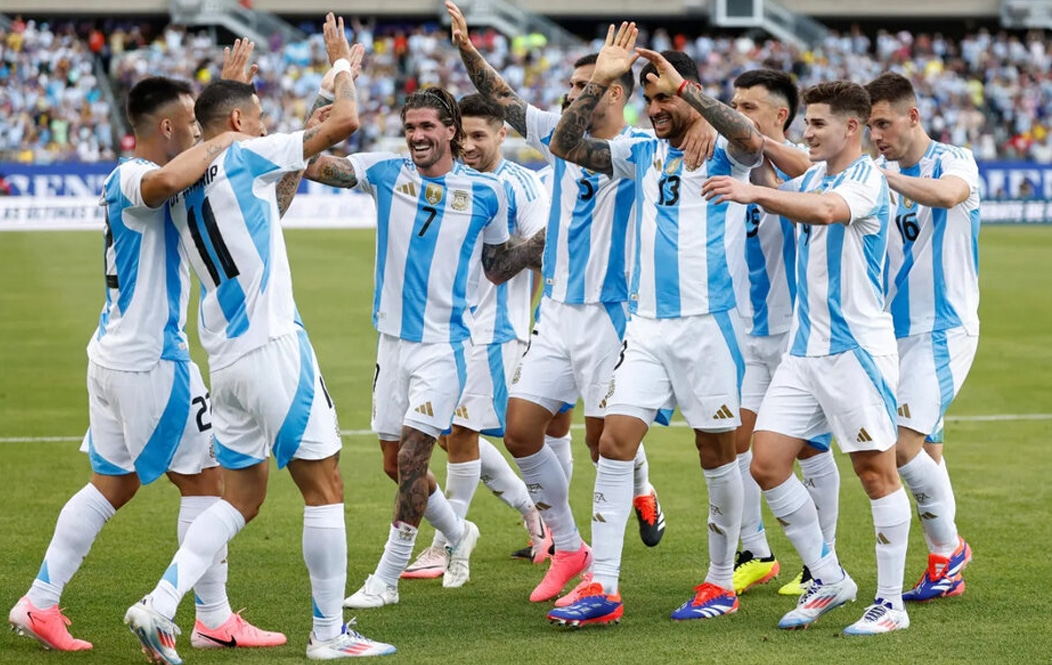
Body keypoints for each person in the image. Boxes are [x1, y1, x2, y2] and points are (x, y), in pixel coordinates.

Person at [122, 15, 396, 662]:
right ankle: (329, 634)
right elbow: (344, 126)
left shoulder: (191, 183)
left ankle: (159, 605)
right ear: (240, 124)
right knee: (324, 485)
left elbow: (273, 206)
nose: (270, 125)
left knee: (240, 495)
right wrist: (339, 70)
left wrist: (258, 105)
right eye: (261, 115)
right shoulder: (243, 153)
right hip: (274, 346)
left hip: (227, 359)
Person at [6, 74, 284, 655]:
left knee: (112, 483)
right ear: (165, 127)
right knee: (210, 482)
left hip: (112, 356)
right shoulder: (131, 176)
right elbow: (164, 181)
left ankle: (39, 601)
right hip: (151, 362)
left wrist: (226, 94)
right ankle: (212, 616)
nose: (197, 129)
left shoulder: (158, 177)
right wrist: (227, 137)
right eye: (190, 120)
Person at [447, 0, 673, 604]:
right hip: (556, 313)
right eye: (573, 85)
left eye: (588, 86)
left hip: (611, 315)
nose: (575, 94)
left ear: (617, 93)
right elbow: (501, 101)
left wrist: (605, 71)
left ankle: (608, 562)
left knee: (606, 447)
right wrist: (467, 47)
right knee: (522, 433)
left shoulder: (638, 152)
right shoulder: (557, 134)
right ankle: (570, 547)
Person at [544, 29, 764, 625]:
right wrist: (598, 81)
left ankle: (720, 581)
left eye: (665, 97)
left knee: (715, 451)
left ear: (690, 95)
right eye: (650, 98)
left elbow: (751, 137)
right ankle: (604, 586)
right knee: (614, 444)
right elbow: (566, 146)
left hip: (708, 327)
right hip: (644, 327)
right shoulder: (639, 151)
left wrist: (692, 95)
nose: (657, 108)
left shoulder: (723, 149)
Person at [304, 85, 544, 608]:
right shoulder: (385, 173)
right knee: (394, 464)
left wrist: (548, 240)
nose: (416, 136)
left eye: (427, 127)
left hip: (446, 345)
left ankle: (386, 579)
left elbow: (498, 267)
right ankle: (460, 534)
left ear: (451, 131)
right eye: (410, 127)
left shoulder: (487, 194)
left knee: (414, 457)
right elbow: (311, 163)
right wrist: (329, 90)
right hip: (391, 343)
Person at [702, 80, 912, 635]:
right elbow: (786, 170)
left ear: (851, 128)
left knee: (875, 473)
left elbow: (822, 210)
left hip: (855, 351)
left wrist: (757, 193)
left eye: (818, 123)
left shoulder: (866, 178)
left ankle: (890, 603)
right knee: (766, 464)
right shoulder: (816, 172)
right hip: (804, 349)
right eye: (806, 122)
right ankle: (828, 576)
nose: (808, 132)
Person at [401, 92, 554, 580]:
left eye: (478, 135)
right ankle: (537, 515)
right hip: (450, 328)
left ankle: (448, 545)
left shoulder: (521, 185)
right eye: (461, 134)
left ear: (501, 134)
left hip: (493, 330)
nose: (467, 144)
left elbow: (542, 251)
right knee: (447, 436)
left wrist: (528, 322)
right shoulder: (452, 182)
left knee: (461, 434)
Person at [726, 69, 841, 598]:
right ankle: (758, 553)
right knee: (736, 444)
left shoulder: (808, 170)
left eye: (748, 107)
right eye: (732, 104)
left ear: (780, 117)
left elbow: (810, 180)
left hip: (798, 337)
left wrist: (761, 146)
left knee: (811, 451)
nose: (735, 114)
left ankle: (824, 563)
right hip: (745, 335)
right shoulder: (728, 162)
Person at [865, 71, 977, 601]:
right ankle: (944, 564)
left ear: (913, 116)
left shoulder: (954, 160)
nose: (877, 135)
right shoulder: (876, 169)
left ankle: (948, 549)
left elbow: (947, 196)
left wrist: (883, 178)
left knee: (899, 447)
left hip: (943, 329)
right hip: (892, 332)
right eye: (869, 126)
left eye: (884, 123)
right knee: (927, 446)